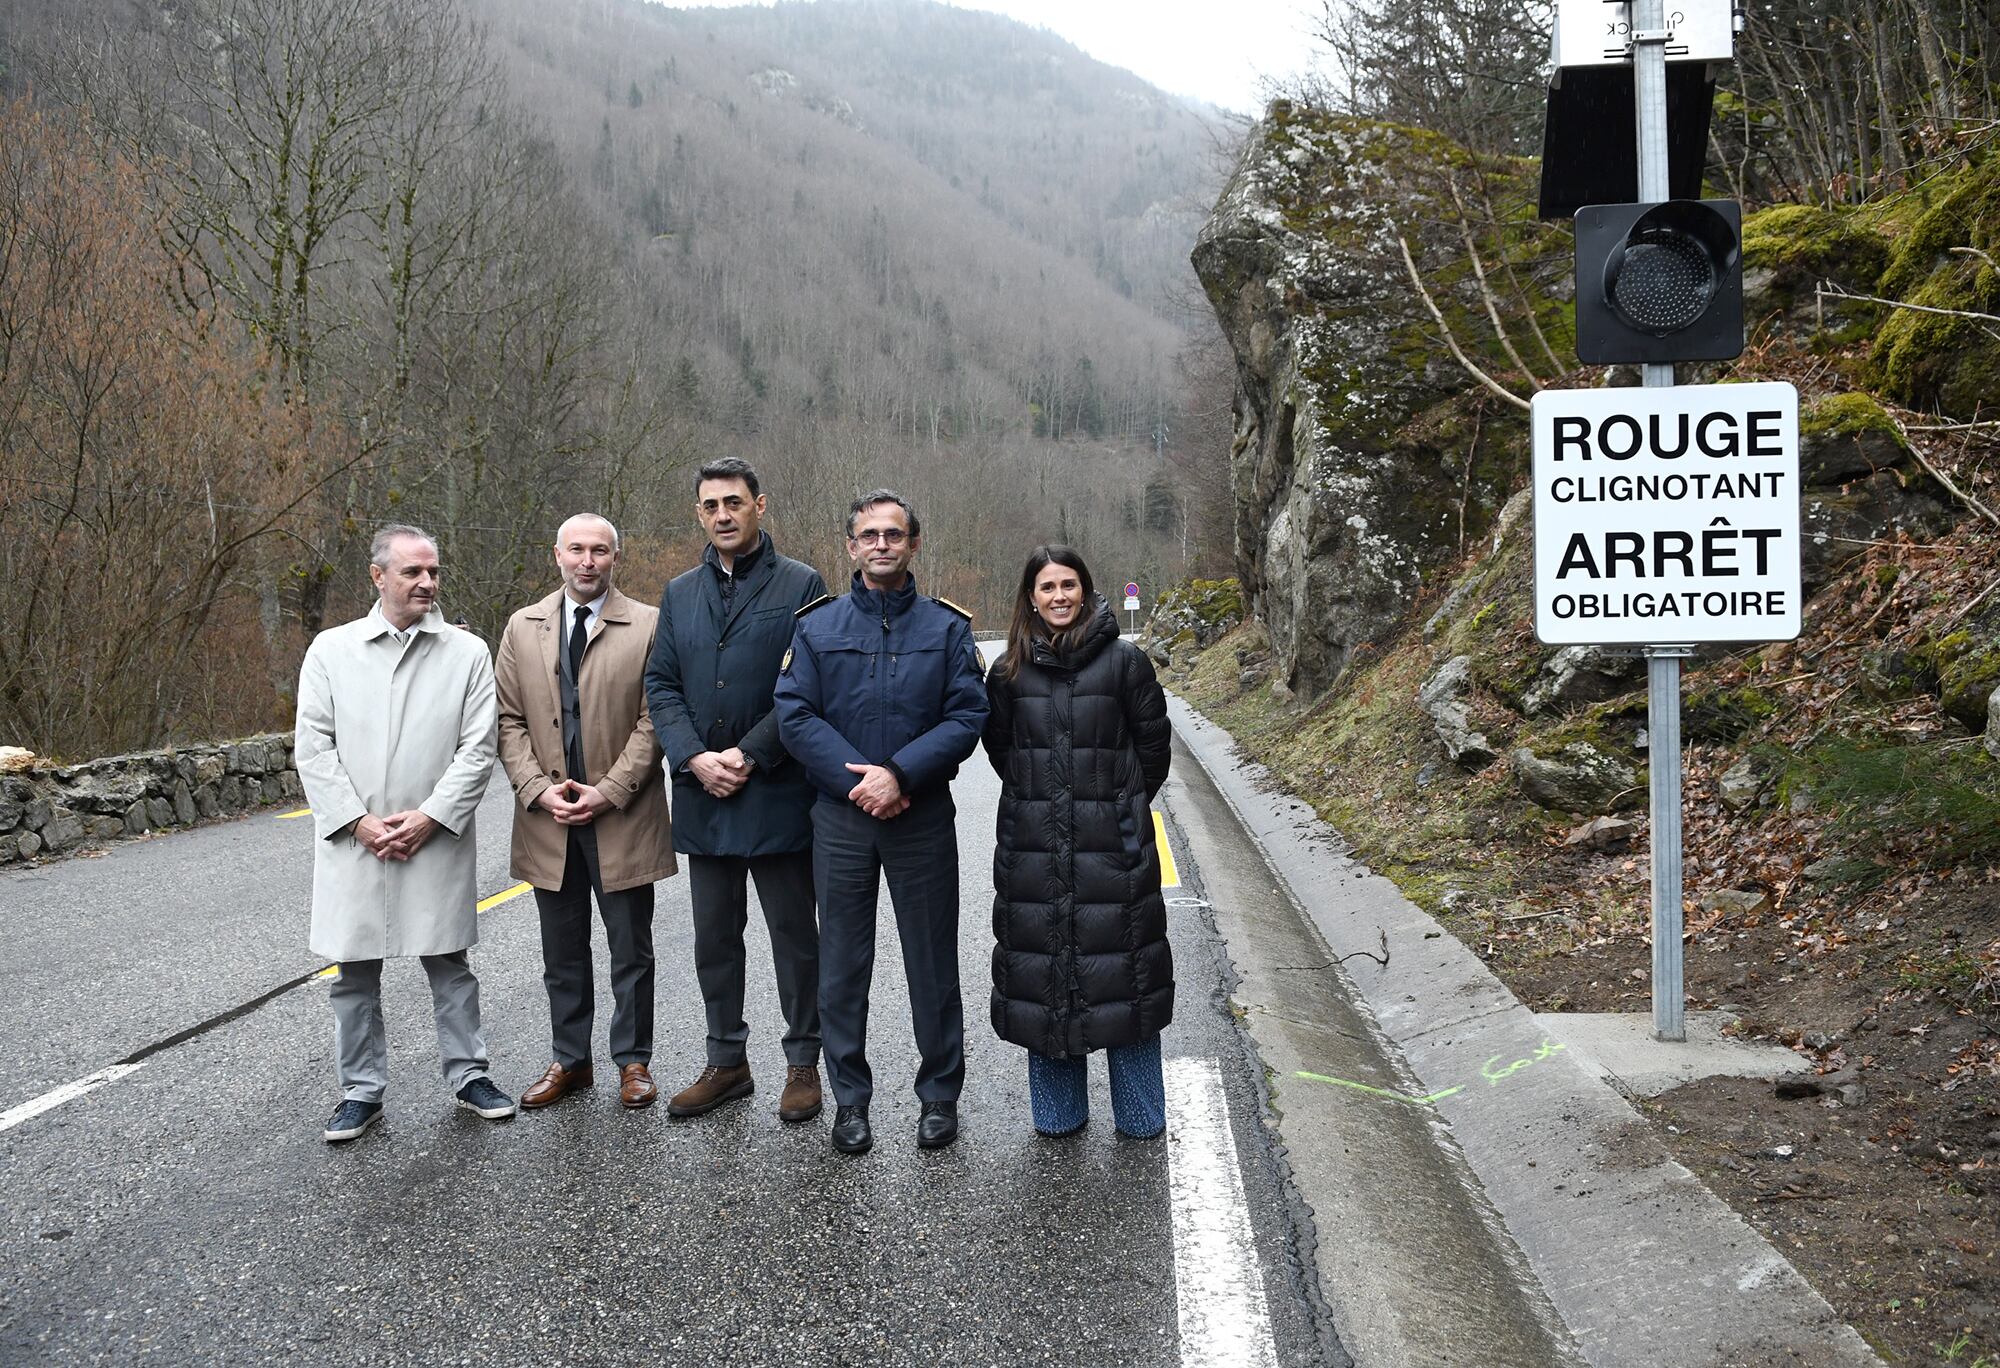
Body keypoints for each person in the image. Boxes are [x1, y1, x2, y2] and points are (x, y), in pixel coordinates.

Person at [773, 489, 989, 1154]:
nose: (882, 544)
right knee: (841, 964)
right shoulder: (817, 627)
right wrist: (860, 781)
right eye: (870, 535)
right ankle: (851, 1101)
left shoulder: (948, 629)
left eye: (894, 534)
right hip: (841, 820)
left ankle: (938, 1097)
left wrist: (899, 773)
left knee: (932, 961)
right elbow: (794, 714)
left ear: (913, 544)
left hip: (920, 814)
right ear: (850, 546)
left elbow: (967, 715)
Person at [295, 524, 515, 1143]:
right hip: (353, 840)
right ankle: (360, 1091)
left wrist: (429, 817)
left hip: (433, 835)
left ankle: (470, 1074)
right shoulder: (331, 650)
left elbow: (478, 749)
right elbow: (313, 747)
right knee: (355, 971)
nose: (427, 582)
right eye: (413, 572)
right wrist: (357, 822)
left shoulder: (467, 653)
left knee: (448, 962)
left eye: (434, 572)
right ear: (378, 576)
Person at [644, 458, 829, 1123]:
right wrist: (692, 755)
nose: (722, 514)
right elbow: (660, 683)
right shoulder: (679, 592)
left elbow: (808, 685)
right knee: (714, 939)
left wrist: (747, 754)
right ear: (699, 514)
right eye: (710, 505)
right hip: (702, 792)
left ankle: (804, 1063)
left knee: (792, 936)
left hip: (774, 788)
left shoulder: (802, 583)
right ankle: (727, 1061)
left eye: (733, 502)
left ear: (760, 505)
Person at [981, 546, 1173, 1139]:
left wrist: (1117, 809)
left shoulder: (1125, 664)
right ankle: (1060, 1113)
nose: (1058, 596)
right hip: (1033, 849)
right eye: (1046, 588)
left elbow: (1153, 753)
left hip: (1113, 847)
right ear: (1030, 598)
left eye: (1069, 585)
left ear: (1087, 592)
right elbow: (1002, 752)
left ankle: (1141, 1114)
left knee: (1128, 977)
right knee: (1044, 979)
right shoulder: (1008, 673)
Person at [496, 514, 677, 1112]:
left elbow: (657, 719)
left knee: (631, 949)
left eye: (600, 550)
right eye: (577, 549)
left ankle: (633, 1061)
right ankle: (570, 1060)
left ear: (614, 559)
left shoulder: (650, 624)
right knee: (562, 951)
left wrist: (610, 789)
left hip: (621, 816)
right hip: (548, 820)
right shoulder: (523, 627)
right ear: (557, 555)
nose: (587, 561)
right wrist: (533, 788)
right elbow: (508, 721)